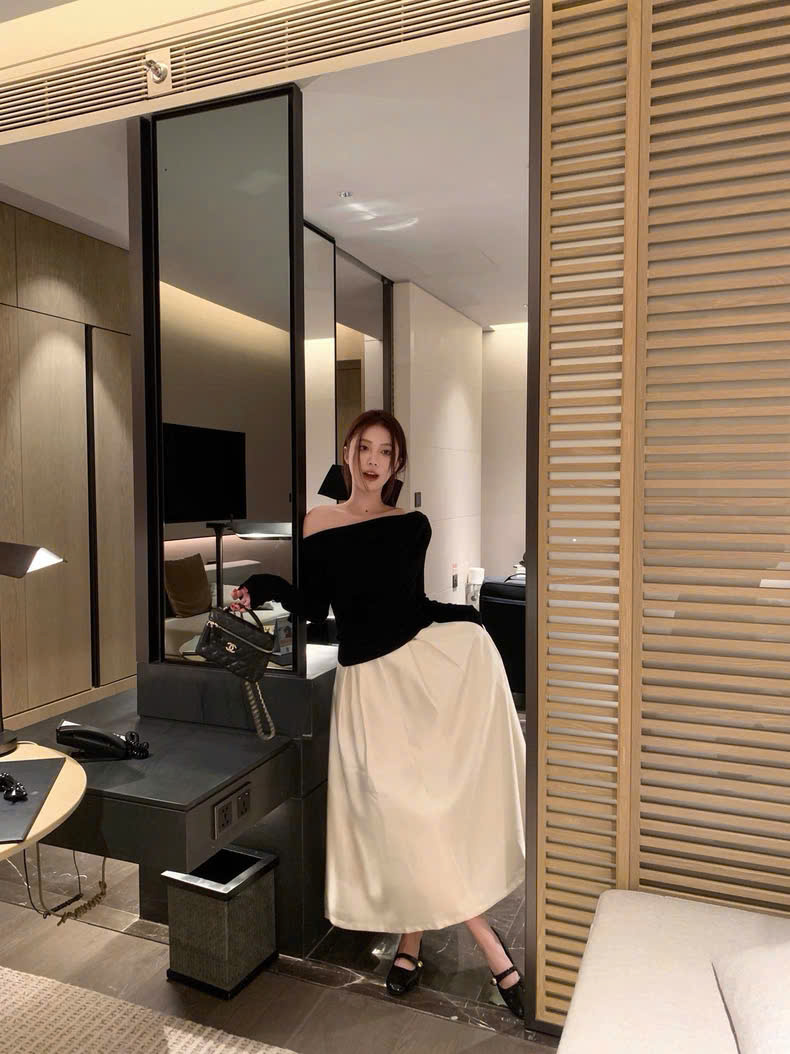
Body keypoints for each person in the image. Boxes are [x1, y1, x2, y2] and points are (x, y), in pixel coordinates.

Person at [231, 409, 527, 1018]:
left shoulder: (411, 525)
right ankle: (479, 940)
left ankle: (423, 942)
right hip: (367, 686)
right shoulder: (316, 522)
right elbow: (312, 606)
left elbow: (414, 605)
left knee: (422, 811)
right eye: (364, 447)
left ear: (396, 463)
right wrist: (263, 585)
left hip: (417, 675)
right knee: (397, 815)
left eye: (385, 451)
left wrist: (469, 621)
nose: (372, 460)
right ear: (347, 451)